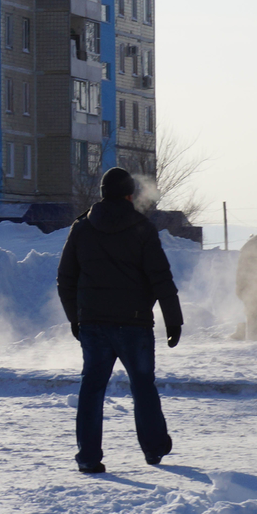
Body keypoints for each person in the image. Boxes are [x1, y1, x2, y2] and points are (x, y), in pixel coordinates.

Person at [57, 167, 184, 475]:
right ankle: (154, 449)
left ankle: (88, 456)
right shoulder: (141, 228)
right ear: (129, 195)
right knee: (143, 386)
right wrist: (173, 319)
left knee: (92, 388)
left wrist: (76, 318)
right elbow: (160, 278)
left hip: (94, 324)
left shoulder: (82, 228)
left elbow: (65, 279)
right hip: (134, 323)